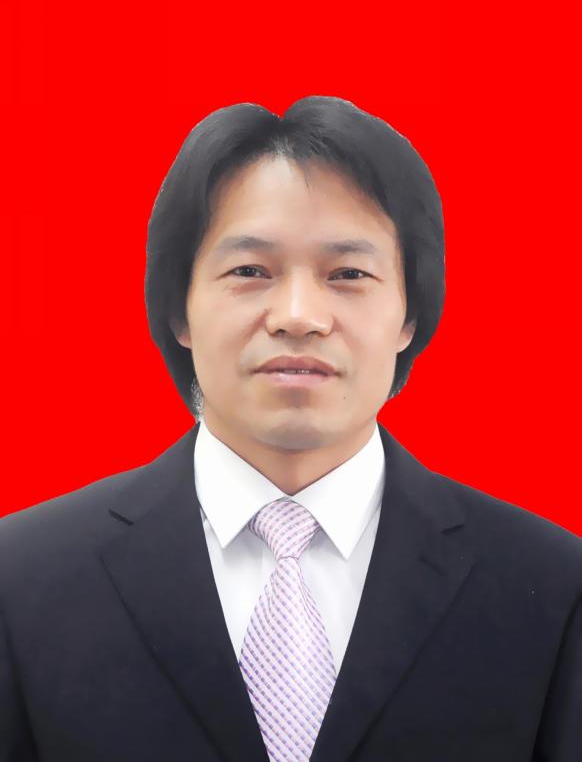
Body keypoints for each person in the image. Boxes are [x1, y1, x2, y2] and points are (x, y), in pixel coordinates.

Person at [0, 96, 580, 762]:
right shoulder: (21, 578)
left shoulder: (550, 586)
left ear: (409, 316)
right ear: (179, 309)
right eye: (250, 271)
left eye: (348, 274)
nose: (299, 316)